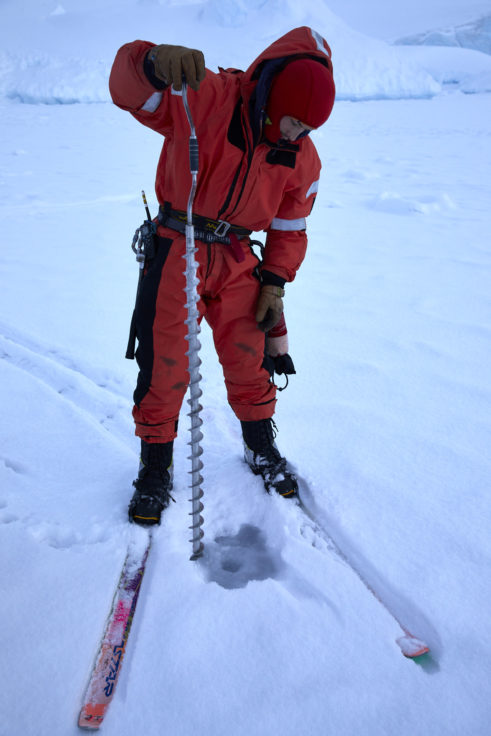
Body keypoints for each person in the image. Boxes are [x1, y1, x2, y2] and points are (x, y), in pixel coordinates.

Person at [109, 26, 335, 525]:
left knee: (250, 359)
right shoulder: (206, 97)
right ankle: (155, 468)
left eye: (311, 128)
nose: (299, 134)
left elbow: (291, 223)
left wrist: (275, 279)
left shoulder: (301, 154)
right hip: (176, 248)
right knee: (164, 363)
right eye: (296, 121)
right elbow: (127, 91)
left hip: (238, 261)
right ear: (276, 98)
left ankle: (260, 446)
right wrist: (151, 62)